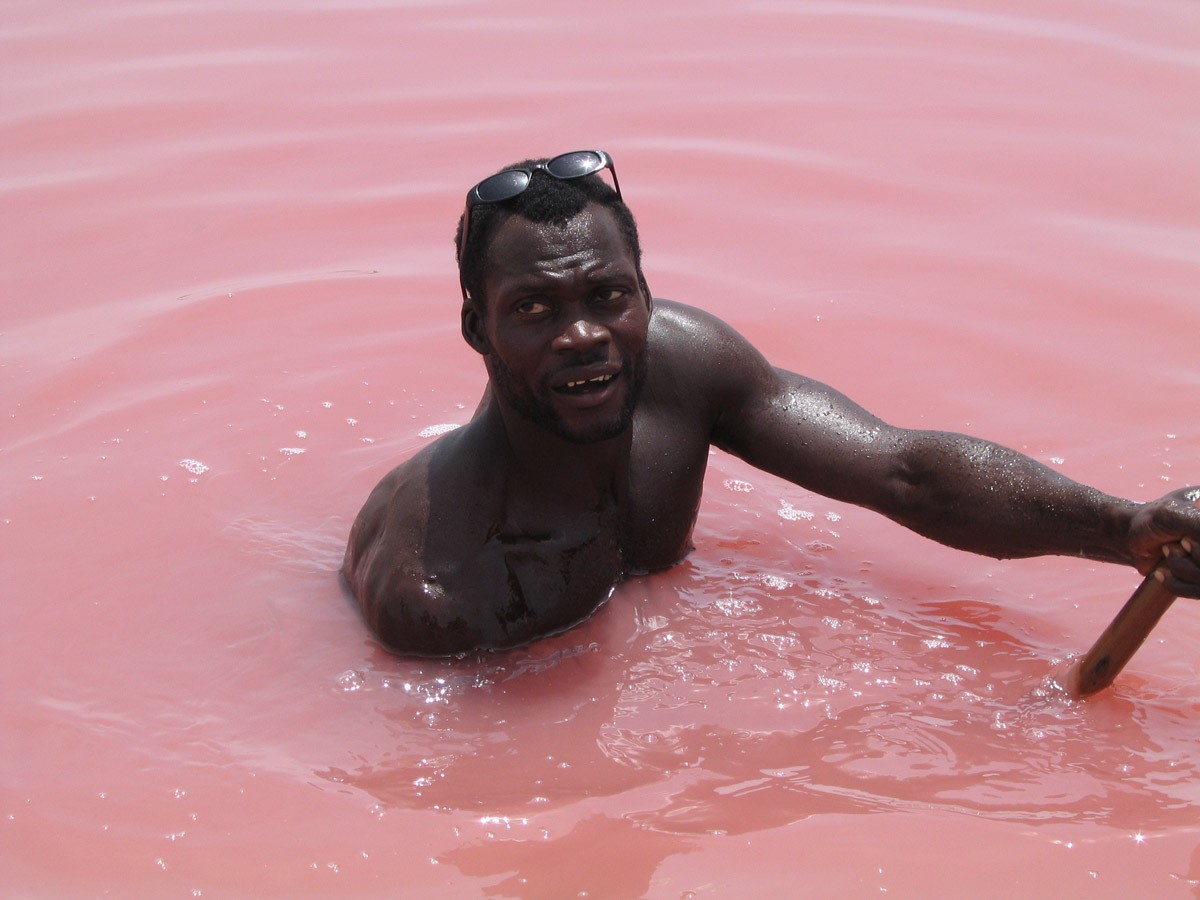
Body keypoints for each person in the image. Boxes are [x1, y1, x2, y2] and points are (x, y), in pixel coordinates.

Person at [343, 149, 1200, 657]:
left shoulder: (681, 361)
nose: (583, 336)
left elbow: (904, 473)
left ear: (646, 294)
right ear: (474, 328)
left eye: (609, 296)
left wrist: (1125, 530)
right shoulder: (437, 589)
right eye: (534, 310)